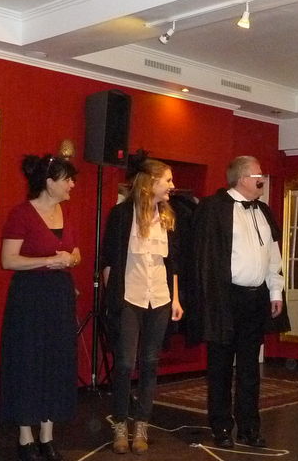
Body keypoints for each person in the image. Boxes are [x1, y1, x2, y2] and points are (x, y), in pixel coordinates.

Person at [193, 155, 288, 449]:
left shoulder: (264, 210)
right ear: (243, 179)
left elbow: (273, 256)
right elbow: (203, 258)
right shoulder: (214, 208)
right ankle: (221, 427)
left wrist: (275, 292)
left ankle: (249, 427)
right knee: (220, 367)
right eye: (259, 176)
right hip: (225, 299)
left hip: (255, 299)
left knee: (249, 369)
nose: (263, 181)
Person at [0, 154, 80, 461]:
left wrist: (71, 259)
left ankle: (47, 436)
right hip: (30, 298)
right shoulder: (22, 213)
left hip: (59, 296)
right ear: (49, 182)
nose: (72, 185)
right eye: (67, 179)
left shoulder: (65, 212)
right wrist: (48, 260)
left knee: (56, 362)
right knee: (28, 362)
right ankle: (25, 437)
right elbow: (8, 260)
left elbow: (75, 253)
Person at [101, 157, 183, 455]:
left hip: (159, 298)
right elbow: (109, 261)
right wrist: (113, 299)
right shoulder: (121, 215)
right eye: (168, 180)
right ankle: (120, 424)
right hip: (129, 298)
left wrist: (175, 299)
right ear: (150, 182)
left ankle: (141, 425)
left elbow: (172, 264)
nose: (172, 186)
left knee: (150, 363)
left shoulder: (168, 217)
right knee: (125, 363)